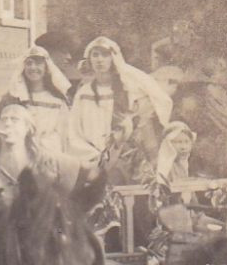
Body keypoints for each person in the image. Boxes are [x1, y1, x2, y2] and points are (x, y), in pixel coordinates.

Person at [70, 36, 174, 172]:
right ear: (89, 59)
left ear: (113, 59)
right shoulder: (84, 94)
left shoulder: (127, 91)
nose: (100, 59)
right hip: (89, 158)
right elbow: (74, 130)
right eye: (95, 55)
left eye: (105, 55)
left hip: (122, 154)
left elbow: (146, 115)